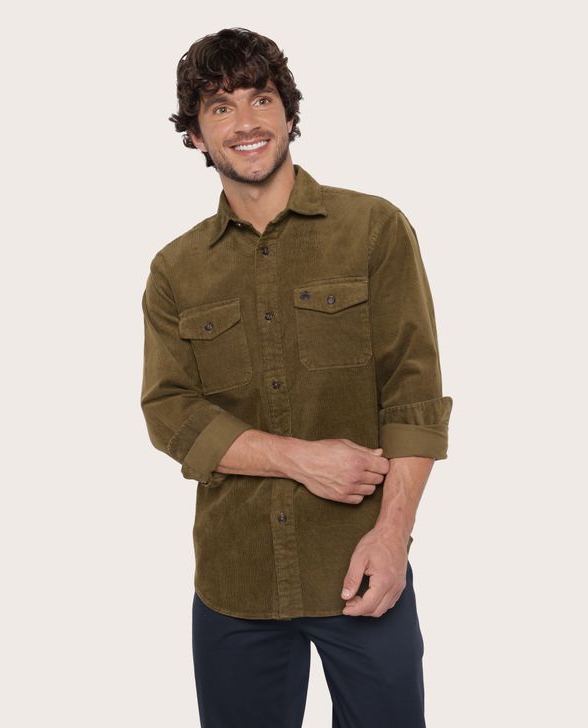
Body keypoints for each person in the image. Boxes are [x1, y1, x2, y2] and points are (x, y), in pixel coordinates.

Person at [140, 26, 453, 728]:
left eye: (261, 98)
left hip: (361, 570)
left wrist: (392, 537)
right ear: (195, 135)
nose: (245, 122)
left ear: (288, 114)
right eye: (220, 107)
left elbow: (414, 395)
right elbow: (170, 412)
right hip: (236, 582)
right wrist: (300, 459)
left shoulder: (373, 229)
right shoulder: (175, 270)